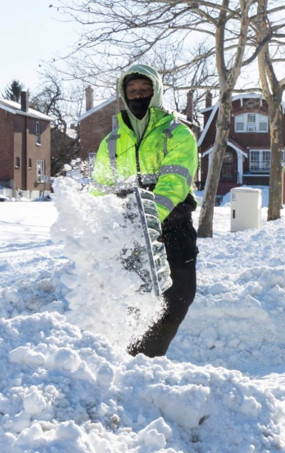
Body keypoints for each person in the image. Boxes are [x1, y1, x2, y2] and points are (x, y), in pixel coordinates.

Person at [92, 63, 199, 358]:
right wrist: (104, 226)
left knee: (178, 296)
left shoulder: (176, 133)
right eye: (132, 91)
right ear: (124, 96)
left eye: (144, 90)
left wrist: (149, 219)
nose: (138, 95)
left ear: (155, 92)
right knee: (130, 299)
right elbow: (100, 189)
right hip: (128, 231)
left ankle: (148, 359)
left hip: (173, 228)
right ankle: (126, 357)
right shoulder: (111, 142)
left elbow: (174, 181)